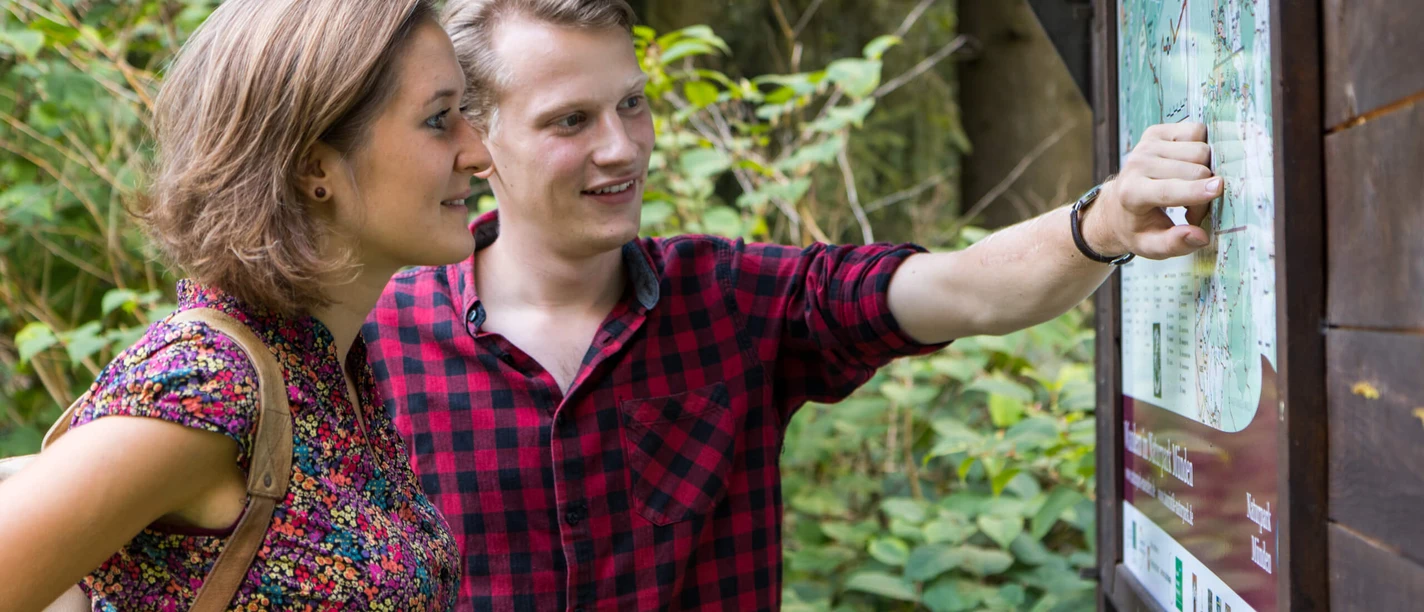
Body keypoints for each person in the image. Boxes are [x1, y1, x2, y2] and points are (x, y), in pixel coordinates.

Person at [361, 0, 1222, 609]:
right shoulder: (375, 342)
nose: (621, 148)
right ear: (481, 138)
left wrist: (1103, 219)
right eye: (570, 122)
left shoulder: (735, 302)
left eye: (632, 104)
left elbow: (963, 288)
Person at [0, 0, 489, 609]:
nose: (478, 153)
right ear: (316, 165)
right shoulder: (210, 383)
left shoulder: (327, 366)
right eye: (440, 120)